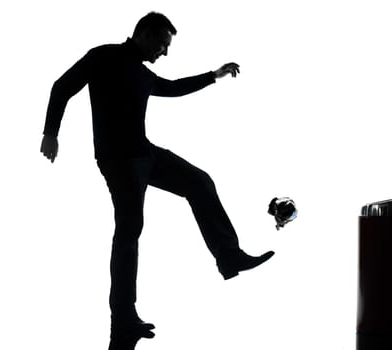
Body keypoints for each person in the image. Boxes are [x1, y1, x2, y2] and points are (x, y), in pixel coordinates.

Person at [40, 11, 274, 343]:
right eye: (163, 44)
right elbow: (61, 87)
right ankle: (123, 318)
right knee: (129, 231)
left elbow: (174, 88)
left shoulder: (143, 75)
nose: (164, 52)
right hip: (119, 161)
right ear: (146, 34)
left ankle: (229, 255)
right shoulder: (103, 57)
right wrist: (51, 133)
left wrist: (214, 75)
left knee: (200, 182)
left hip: (145, 154)